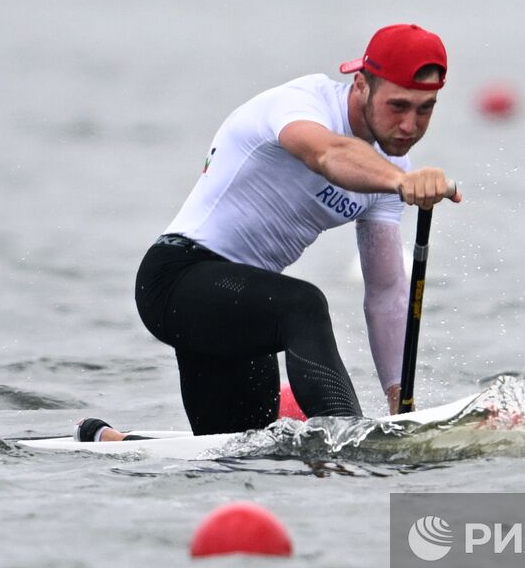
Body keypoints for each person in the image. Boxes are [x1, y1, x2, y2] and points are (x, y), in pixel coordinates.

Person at [76, 23, 461, 441]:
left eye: (425, 109)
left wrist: (399, 402)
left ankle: (104, 439)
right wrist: (401, 183)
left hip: (242, 305)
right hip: (177, 280)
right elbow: (327, 153)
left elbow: (386, 294)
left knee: (242, 448)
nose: (410, 124)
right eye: (399, 106)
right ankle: (351, 439)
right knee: (304, 304)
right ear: (362, 84)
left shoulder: (388, 178)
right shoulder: (302, 104)